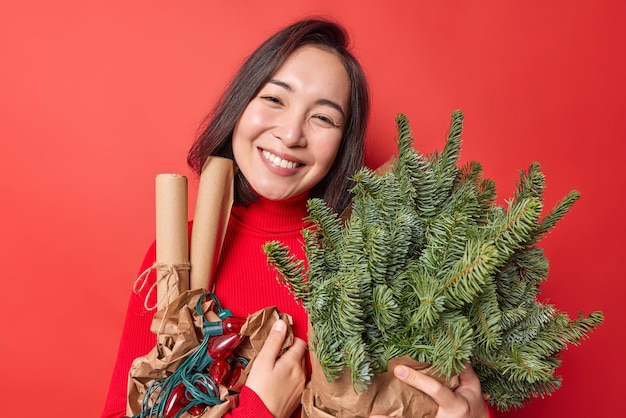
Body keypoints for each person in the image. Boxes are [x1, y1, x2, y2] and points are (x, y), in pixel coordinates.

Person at [102, 18, 491, 418]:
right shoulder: (176, 257)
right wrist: (259, 410)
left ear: (344, 143)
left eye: (323, 118)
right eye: (274, 99)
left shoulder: (387, 258)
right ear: (241, 104)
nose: (291, 134)